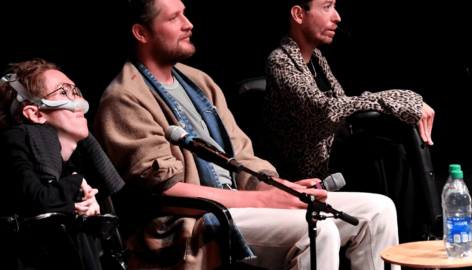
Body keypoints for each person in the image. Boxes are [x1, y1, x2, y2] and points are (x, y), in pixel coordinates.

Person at [93, 0, 399, 269]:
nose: (189, 24)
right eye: (173, 18)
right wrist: (260, 201)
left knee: (379, 210)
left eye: (184, 14)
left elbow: (243, 156)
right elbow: (166, 194)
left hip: (239, 204)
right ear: (141, 33)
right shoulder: (123, 99)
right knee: (317, 229)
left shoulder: (200, 81)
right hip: (191, 223)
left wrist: (285, 189)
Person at [260, 0, 435, 242]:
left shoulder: (318, 59)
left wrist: (394, 103)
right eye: (327, 7)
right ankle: (411, 241)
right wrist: (399, 99)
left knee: (391, 148)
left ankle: (419, 238)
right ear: (299, 14)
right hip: (310, 176)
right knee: (380, 155)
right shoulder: (280, 62)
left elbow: (344, 107)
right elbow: (324, 112)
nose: (337, 17)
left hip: (336, 162)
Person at [0, 59, 124, 270]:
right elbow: (37, 198)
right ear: (36, 114)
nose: (80, 102)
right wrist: (76, 185)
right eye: (64, 93)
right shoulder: (13, 141)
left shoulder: (78, 159)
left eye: (76, 91)